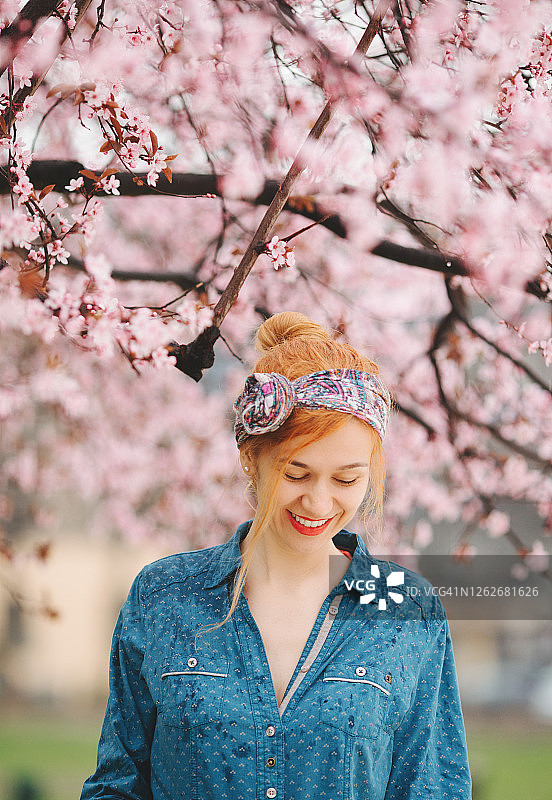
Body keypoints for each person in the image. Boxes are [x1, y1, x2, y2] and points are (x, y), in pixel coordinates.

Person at [81, 311, 472, 800]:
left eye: (347, 479)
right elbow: (116, 785)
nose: (319, 502)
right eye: (296, 473)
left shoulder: (407, 611)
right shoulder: (165, 596)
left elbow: (431, 788)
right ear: (252, 458)